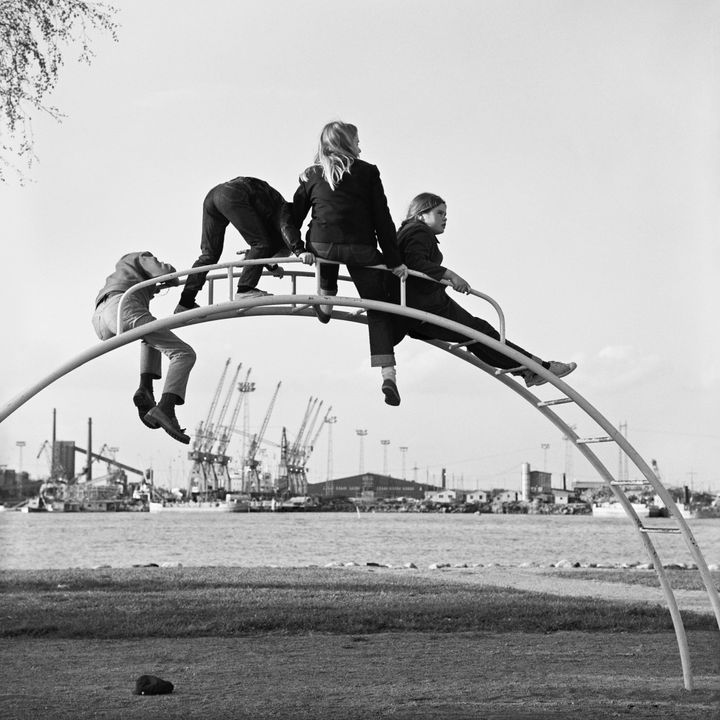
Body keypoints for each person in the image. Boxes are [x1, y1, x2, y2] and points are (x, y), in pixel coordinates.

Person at [395, 193, 576, 388]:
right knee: (481, 333)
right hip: (428, 304)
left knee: (477, 336)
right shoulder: (418, 232)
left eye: (445, 214)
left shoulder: (408, 231)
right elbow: (415, 263)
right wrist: (452, 275)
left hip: (422, 304)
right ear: (421, 214)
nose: (445, 218)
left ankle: (530, 369)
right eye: (439, 213)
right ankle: (538, 368)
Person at [293, 121, 408, 406]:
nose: (360, 146)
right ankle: (388, 373)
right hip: (361, 249)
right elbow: (383, 218)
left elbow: (294, 215)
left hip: (323, 246)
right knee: (377, 307)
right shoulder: (368, 172)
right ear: (346, 142)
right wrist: (394, 261)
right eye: (357, 140)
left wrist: (295, 249)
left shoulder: (311, 174)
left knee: (326, 249)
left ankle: (326, 301)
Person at [92, 251, 196, 444]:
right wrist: (170, 278)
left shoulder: (121, 274)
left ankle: (145, 388)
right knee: (184, 354)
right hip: (121, 306)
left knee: (150, 335)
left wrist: (154, 288)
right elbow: (165, 271)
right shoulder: (140, 256)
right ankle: (166, 407)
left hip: (101, 318)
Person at [175, 177, 314, 313]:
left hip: (213, 196)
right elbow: (285, 231)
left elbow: (264, 253)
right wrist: (299, 250)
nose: (275, 259)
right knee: (261, 244)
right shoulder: (285, 210)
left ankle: (185, 302)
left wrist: (272, 267)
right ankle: (245, 290)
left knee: (209, 255)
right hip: (233, 193)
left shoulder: (270, 221)